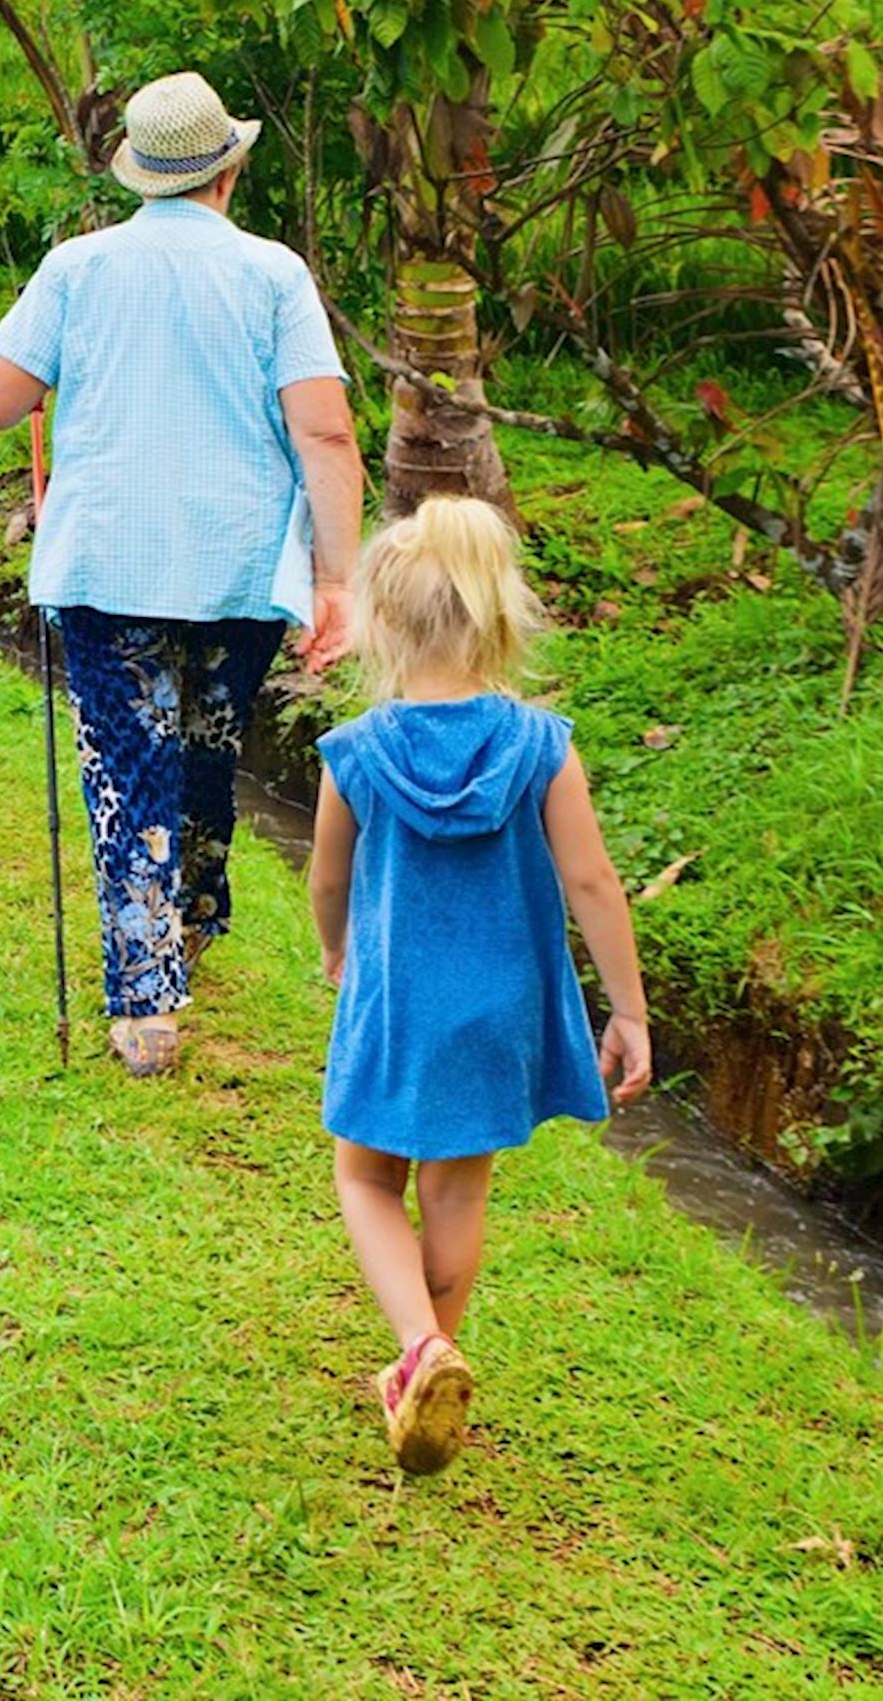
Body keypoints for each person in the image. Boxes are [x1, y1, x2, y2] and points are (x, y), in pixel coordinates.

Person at [0, 71, 363, 1076]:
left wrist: (49, 366)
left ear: (140, 175)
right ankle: (187, 927)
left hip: (107, 563)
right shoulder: (273, 275)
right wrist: (337, 580)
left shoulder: (77, 268)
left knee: (125, 765)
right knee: (203, 751)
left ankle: (145, 1004)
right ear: (227, 170)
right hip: (234, 569)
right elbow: (325, 433)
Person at [311, 498, 651, 1475]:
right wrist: (623, 1007)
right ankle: (435, 1361)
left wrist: (336, 952)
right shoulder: (541, 747)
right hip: (500, 1009)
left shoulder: (358, 753)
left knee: (364, 1173)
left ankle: (419, 1349)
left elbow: (327, 877)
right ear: (500, 620)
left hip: (399, 1001)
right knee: (457, 1189)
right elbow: (590, 881)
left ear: (381, 622)